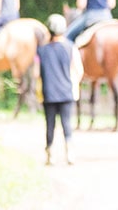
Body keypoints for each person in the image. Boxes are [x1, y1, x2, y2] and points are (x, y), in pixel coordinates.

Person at [37, 14, 77, 165]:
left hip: (49, 93)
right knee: (67, 123)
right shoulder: (71, 47)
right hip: (67, 92)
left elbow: (36, 73)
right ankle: (70, 153)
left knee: (50, 124)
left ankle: (50, 155)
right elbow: (77, 70)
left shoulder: (41, 51)